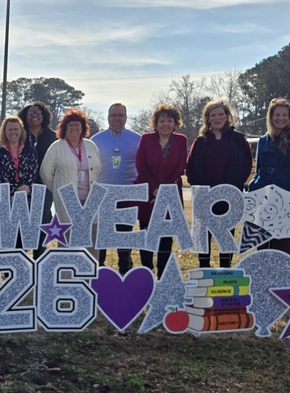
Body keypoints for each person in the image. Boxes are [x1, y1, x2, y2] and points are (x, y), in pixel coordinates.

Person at [247, 97, 290, 261]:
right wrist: (254, 188)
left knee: (285, 247)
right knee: (263, 245)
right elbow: (259, 170)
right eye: (277, 115)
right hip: (263, 200)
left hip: (287, 199)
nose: (281, 118)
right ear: (271, 117)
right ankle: (262, 281)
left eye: (284, 115)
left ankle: (287, 283)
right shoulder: (264, 140)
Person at [186, 99, 254, 268]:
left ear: (227, 116)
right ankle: (204, 269)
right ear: (207, 119)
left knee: (226, 236)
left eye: (220, 114)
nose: (217, 118)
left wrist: (235, 185)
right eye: (212, 115)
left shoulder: (238, 139)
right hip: (205, 196)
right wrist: (197, 186)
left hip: (229, 195)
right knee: (203, 236)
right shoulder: (201, 142)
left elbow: (246, 164)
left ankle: (225, 270)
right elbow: (190, 167)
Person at [135, 104, 188, 278]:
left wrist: (164, 191)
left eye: (169, 120)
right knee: (147, 234)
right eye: (162, 120)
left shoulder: (181, 140)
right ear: (155, 123)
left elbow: (181, 166)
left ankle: (163, 275)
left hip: (171, 194)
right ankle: (146, 273)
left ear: (175, 123)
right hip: (148, 194)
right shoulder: (146, 139)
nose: (165, 124)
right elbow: (141, 165)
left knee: (166, 237)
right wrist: (154, 189)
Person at [89, 102, 140, 273]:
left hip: (127, 195)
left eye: (120, 115)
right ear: (108, 117)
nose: (117, 118)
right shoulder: (95, 140)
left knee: (124, 236)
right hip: (102, 195)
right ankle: (99, 270)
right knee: (101, 236)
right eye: (113, 115)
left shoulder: (137, 139)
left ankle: (125, 270)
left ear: (126, 117)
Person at [40, 108, 102, 231]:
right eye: (70, 125)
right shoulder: (57, 146)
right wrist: (58, 189)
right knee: (68, 236)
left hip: (91, 200)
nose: (74, 128)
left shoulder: (91, 145)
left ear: (83, 127)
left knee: (91, 235)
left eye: (77, 125)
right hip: (67, 200)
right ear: (64, 128)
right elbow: (45, 173)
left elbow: (97, 169)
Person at [0, 115, 38, 250]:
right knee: (7, 241)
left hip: (26, 202)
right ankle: (7, 270)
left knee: (23, 241)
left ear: (21, 131)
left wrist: (26, 188)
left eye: (16, 129)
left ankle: (22, 269)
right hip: (5, 203)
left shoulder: (30, 152)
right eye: (9, 129)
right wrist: (18, 189)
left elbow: (32, 173)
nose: (13, 132)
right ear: (4, 132)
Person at [19, 101, 57, 257]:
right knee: (23, 223)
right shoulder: (20, 134)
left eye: (38, 112)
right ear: (24, 117)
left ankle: (39, 257)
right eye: (30, 113)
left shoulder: (52, 136)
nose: (34, 115)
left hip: (45, 186)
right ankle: (20, 259)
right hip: (23, 186)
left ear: (44, 116)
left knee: (42, 221)